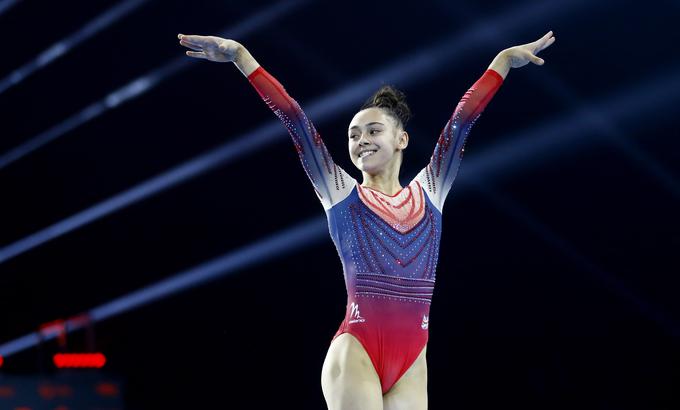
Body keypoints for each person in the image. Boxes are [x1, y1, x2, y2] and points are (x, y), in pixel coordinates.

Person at [178, 30, 555, 410]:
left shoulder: (431, 190)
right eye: (353, 135)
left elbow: (462, 122)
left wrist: (502, 62)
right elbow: (295, 120)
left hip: (412, 360)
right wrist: (242, 57)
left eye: (373, 131)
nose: (362, 140)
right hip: (356, 350)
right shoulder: (340, 192)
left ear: (402, 139)